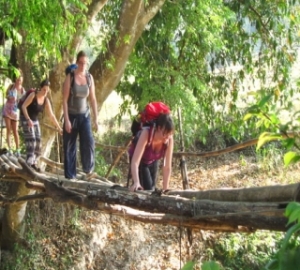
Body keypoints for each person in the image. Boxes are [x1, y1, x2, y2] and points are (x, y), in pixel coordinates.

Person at [62, 50, 99, 180]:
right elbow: (64, 100)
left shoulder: (89, 78)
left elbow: (93, 99)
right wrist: (66, 120)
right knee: (70, 146)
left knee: (88, 141)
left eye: (85, 63)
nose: (83, 65)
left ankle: (88, 170)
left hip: (85, 115)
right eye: (81, 63)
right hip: (71, 115)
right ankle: (70, 175)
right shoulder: (70, 77)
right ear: (77, 62)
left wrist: (96, 118)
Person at [20, 79, 63, 171]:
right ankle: (29, 163)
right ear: (40, 88)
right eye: (44, 89)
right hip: (25, 118)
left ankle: (34, 162)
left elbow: (51, 115)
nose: (45, 92)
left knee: (38, 142)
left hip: (34, 120)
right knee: (32, 140)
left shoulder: (46, 100)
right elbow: (23, 106)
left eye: (47, 90)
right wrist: (28, 120)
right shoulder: (33, 95)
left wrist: (59, 128)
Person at [129, 113, 174, 192]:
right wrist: (136, 182)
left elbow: (167, 167)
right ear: (159, 128)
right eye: (165, 134)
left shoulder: (169, 139)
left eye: (169, 134)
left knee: (152, 189)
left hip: (153, 160)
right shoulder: (147, 134)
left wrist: (165, 188)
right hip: (140, 162)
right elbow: (135, 162)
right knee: (147, 190)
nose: (167, 137)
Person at [2, 69, 25, 156]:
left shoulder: (22, 90)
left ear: (22, 80)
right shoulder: (11, 86)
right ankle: (10, 149)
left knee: (15, 131)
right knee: (8, 129)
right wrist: (9, 96)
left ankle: (18, 149)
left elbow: (24, 101)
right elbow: (6, 95)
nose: (19, 81)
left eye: (20, 80)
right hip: (8, 109)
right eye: (17, 79)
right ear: (16, 79)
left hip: (15, 112)